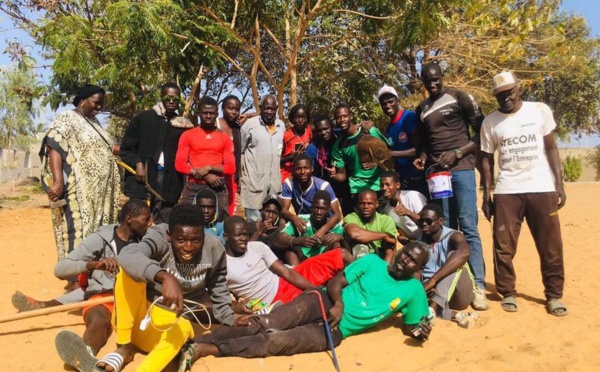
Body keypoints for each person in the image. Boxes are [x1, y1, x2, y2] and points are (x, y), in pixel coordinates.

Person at [184, 242, 432, 364]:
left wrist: (420, 332)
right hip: (322, 300)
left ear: (419, 269)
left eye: (413, 261)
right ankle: (197, 342)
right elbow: (336, 281)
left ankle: (209, 350)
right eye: (405, 253)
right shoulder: (372, 263)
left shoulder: (414, 291)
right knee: (268, 322)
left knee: (278, 341)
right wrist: (338, 304)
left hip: (336, 330)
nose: (405, 260)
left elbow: (413, 326)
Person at [94, 204, 240, 372]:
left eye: (196, 240)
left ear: (203, 236)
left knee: (184, 327)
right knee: (126, 273)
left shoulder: (214, 248)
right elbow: (128, 255)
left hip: (167, 331)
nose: (188, 247)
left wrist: (229, 317)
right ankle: (123, 349)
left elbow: (218, 284)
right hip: (138, 320)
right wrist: (164, 276)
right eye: (181, 240)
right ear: (170, 235)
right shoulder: (159, 237)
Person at [480, 71, 568, 316]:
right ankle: (507, 292)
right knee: (503, 246)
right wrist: (486, 193)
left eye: (509, 92)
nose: (505, 98)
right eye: (500, 95)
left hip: (541, 187)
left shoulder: (539, 110)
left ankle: (553, 296)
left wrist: (558, 184)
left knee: (551, 246)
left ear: (518, 89)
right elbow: (486, 159)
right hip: (508, 190)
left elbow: (551, 147)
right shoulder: (490, 122)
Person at [413, 62, 488, 311]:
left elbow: (481, 132)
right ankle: (451, 280)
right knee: (446, 229)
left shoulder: (459, 97)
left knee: (468, 226)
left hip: (462, 169)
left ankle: (478, 285)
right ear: (422, 81)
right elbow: (424, 143)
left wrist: (458, 152)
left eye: (436, 79)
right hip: (438, 176)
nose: (433, 84)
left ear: (442, 77)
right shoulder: (421, 109)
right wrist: (423, 157)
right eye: (428, 81)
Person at [53, 200, 152, 372]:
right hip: (104, 297)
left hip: (135, 298)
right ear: (130, 219)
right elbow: (60, 269)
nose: (150, 223)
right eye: (146, 219)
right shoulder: (101, 238)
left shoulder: (146, 241)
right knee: (99, 320)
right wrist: (92, 265)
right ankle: (85, 355)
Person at [39, 84, 120, 262]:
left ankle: (90, 272)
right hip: (79, 192)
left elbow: (106, 148)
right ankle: (73, 275)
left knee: (95, 231)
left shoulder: (95, 123)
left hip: (98, 194)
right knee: (77, 230)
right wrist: (58, 182)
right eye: (96, 103)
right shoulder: (67, 119)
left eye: (101, 104)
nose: (99, 107)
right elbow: (54, 145)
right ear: (83, 100)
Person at [224, 216, 351, 307]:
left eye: (246, 234)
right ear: (226, 237)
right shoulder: (223, 266)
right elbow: (220, 302)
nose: (243, 239)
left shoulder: (257, 247)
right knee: (321, 302)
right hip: (275, 302)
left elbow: (286, 273)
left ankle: (367, 277)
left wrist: (315, 289)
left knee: (341, 255)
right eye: (238, 235)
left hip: (286, 280)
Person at [120, 82, 194, 223]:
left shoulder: (183, 125)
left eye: (176, 99)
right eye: (167, 98)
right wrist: (138, 163)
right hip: (142, 180)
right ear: (161, 97)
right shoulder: (143, 118)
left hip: (169, 182)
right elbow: (127, 148)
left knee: (163, 223)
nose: (171, 101)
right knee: (137, 221)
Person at [417, 204, 479, 325]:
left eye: (429, 221)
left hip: (459, 293)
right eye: (421, 221)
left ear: (441, 221)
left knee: (454, 260)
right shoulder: (419, 243)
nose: (424, 224)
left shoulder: (454, 236)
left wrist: (433, 280)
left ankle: (433, 308)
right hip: (432, 293)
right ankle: (455, 315)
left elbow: (465, 253)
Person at [176, 96, 235, 216]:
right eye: (205, 113)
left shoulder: (225, 138)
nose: (208, 116)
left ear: (217, 114)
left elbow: (231, 168)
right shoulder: (188, 135)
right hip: (193, 185)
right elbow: (179, 164)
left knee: (221, 223)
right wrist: (203, 175)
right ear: (199, 113)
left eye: (212, 113)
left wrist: (209, 168)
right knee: (186, 220)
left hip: (217, 185)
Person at [329, 103, 389, 213]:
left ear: (351, 116)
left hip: (377, 185)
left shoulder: (370, 131)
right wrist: (334, 175)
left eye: (344, 116)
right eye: (338, 118)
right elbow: (342, 175)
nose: (342, 120)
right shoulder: (338, 146)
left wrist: (377, 163)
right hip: (357, 188)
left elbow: (389, 154)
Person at [240, 94, 285, 222]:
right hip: (253, 183)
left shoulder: (281, 126)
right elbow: (241, 152)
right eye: (266, 108)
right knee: (254, 221)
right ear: (260, 108)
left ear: (276, 108)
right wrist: (240, 177)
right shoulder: (249, 125)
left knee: (273, 222)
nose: (269, 112)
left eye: (272, 109)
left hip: (274, 185)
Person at [378, 85, 428, 197]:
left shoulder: (408, 118)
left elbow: (417, 149)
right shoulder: (389, 128)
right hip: (403, 178)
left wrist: (392, 153)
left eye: (390, 101)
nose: (387, 106)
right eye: (383, 104)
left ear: (397, 100)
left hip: (417, 176)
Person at [277, 190, 350, 264]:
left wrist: (342, 239)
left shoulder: (337, 228)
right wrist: (299, 241)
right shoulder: (301, 220)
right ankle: (296, 273)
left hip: (323, 263)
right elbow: (279, 238)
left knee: (336, 244)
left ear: (329, 209)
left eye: (322, 209)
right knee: (289, 249)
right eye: (316, 208)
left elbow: (348, 255)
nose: (319, 212)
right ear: (311, 207)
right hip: (302, 260)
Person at [280, 153, 343, 238]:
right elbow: (284, 210)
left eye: (306, 168)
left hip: (325, 222)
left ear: (312, 169)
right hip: (303, 221)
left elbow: (337, 215)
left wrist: (323, 230)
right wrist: (294, 218)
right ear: (294, 171)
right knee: (282, 221)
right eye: (298, 169)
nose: (302, 172)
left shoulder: (323, 186)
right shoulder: (290, 184)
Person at [217, 95, 257, 215]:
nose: (234, 112)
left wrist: (248, 115)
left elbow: (265, 113)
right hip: (215, 174)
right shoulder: (214, 124)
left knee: (229, 211)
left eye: (237, 109)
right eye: (230, 108)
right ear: (223, 108)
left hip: (231, 176)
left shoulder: (237, 127)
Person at [306, 115, 353, 214]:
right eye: (319, 130)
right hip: (327, 183)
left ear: (332, 127)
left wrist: (368, 125)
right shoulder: (312, 148)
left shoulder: (341, 135)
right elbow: (311, 172)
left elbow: (355, 130)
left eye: (326, 128)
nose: (323, 132)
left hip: (348, 180)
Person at [344, 189, 398, 263]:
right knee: (360, 246)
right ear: (357, 205)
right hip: (359, 259)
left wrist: (383, 271)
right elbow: (354, 234)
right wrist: (384, 236)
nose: (366, 206)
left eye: (370, 203)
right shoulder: (352, 217)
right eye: (362, 203)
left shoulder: (386, 220)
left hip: (380, 259)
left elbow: (389, 252)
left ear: (377, 204)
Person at [379, 170, 428, 242]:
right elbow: (399, 228)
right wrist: (400, 237)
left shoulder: (413, 196)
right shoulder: (387, 209)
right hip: (412, 243)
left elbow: (429, 223)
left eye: (388, 184)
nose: (384, 188)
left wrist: (408, 213)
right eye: (381, 185)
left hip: (428, 239)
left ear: (398, 185)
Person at [280, 104, 313, 181]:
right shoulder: (286, 135)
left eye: (303, 117)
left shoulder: (309, 131)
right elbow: (277, 160)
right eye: (297, 117)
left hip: (304, 174)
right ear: (292, 119)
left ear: (307, 119)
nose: (300, 121)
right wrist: (290, 158)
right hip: (287, 175)